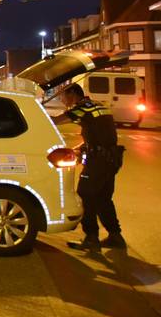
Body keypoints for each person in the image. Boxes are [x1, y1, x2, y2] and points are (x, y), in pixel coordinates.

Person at [53, 82, 125, 251]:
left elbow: (56, 121)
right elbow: (99, 134)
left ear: (72, 93)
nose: (62, 100)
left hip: (98, 161)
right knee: (103, 198)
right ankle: (115, 236)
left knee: (86, 195)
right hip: (111, 159)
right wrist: (79, 149)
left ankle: (91, 238)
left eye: (62, 96)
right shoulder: (97, 105)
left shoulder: (83, 108)